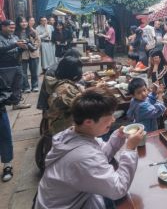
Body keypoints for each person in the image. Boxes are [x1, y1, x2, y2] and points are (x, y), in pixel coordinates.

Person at [34, 88, 144, 209]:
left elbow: (101, 156)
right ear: (88, 122)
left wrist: (118, 137)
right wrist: (129, 149)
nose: (113, 120)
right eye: (109, 116)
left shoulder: (75, 133)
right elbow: (118, 189)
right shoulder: (83, 157)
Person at [0, 19, 30, 182]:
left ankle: (7, 164)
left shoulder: (13, 37)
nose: (12, 29)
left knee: (4, 133)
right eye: (9, 26)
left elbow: (14, 49)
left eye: (13, 26)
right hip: (3, 69)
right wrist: (15, 45)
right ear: (2, 27)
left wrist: (22, 47)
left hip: (14, 68)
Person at [44, 56, 84, 135]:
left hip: (57, 125)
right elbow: (84, 107)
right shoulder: (66, 89)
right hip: (65, 130)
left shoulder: (60, 82)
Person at [15, 16, 41, 93]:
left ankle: (35, 86)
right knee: (23, 73)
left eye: (25, 21)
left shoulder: (32, 31)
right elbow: (15, 43)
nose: (24, 23)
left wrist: (34, 47)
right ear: (18, 23)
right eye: (22, 22)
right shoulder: (16, 32)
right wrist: (21, 46)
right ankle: (26, 87)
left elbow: (38, 41)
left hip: (33, 53)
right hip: (22, 54)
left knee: (34, 72)